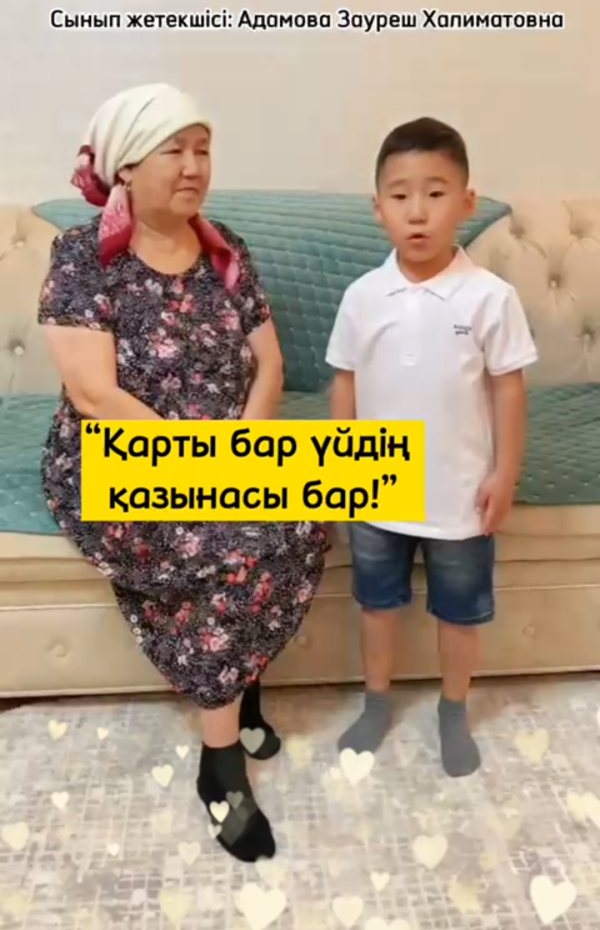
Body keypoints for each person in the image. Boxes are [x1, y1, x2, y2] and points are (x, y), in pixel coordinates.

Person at [37, 82, 328, 861]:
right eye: (176, 150)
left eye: (204, 149)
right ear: (128, 165)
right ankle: (220, 764)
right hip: (118, 456)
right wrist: (204, 470)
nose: (196, 165)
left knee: (307, 516)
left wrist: (243, 451)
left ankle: (242, 679)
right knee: (229, 546)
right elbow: (94, 395)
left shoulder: (225, 247)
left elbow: (270, 364)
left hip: (225, 448)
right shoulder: (84, 256)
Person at [325, 117, 537, 777]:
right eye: (400, 195)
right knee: (376, 605)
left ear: (467, 202)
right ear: (378, 207)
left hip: (460, 494)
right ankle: (376, 702)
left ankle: (453, 709)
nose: (417, 211)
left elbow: (508, 390)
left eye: (436, 193)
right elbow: (345, 383)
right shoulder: (363, 297)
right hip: (377, 492)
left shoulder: (490, 298)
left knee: (459, 613)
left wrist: (505, 473)